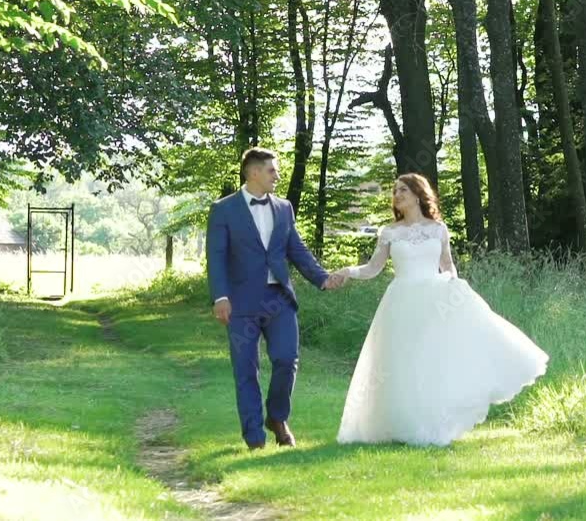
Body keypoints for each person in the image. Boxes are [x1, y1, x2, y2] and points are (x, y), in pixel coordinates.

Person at [334, 173, 549, 446]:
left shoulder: (438, 229)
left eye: (402, 190)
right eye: (395, 191)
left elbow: (447, 265)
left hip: (434, 301)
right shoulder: (390, 232)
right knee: (398, 362)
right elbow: (373, 268)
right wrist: (348, 272)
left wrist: (454, 288)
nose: (396, 195)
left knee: (428, 360)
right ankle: (399, 423)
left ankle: (430, 424)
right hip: (401, 301)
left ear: (417, 194)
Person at [207, 148, 346, 450]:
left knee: (286, 360)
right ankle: (255, 439)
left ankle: (277, 418)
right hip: (240, 303)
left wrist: (323, 278)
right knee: (246, 369)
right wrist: (220, 296)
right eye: (272, 170)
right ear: (253, 172)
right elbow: (216, 258)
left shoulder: (284, 208)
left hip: (279, 300)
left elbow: (296, 249)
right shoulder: (223, 209)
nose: (277, 175)